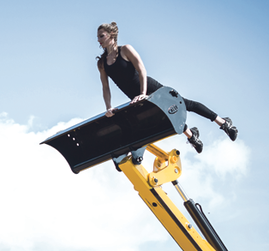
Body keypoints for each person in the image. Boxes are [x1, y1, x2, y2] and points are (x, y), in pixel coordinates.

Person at [96, 22, 238, 153]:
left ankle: (224, 123)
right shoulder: (102, 63)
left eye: (102, 36)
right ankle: (192, 136)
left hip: (148, 88)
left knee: (185, 104)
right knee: (166, 116)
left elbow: (142, 70)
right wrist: (108, 107)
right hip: (136, 97)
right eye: (98, 37)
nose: (99, 40)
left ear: (111, 35)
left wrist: (143, 93)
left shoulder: (126, 50)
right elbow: (105, 87)